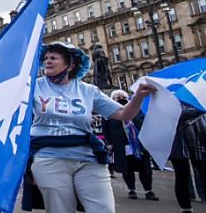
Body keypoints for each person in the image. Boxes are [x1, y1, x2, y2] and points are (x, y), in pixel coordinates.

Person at [30, 42, 154, 213]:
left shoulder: (88, 90)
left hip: (89, 158)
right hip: (49, 158)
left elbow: (124, 115)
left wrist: (138, 96)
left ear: (70, 64)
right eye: (45, 58)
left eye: (53, 58)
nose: (47, 61)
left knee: (103, 209)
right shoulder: (33, 87)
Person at [103, 90, 157, 201]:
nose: (121, 98)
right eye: (117, 97)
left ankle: (148, 190)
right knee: (127, 168)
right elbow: (105, 129)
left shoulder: (137, 109)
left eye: (123, 96)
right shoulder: (108, 112)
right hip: (121, 144)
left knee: (145, 168)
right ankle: (131, 189)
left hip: (138, 143)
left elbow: (144, 123)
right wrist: (109, 143)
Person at [169, 104, 206, 213]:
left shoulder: (195, 97)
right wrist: (199, 110)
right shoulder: (167, 100)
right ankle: (186, 208)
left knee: (204, 172)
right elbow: (177, 116)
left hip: (198, 139)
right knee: (182, 176)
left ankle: (202, 195)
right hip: (178, 142)